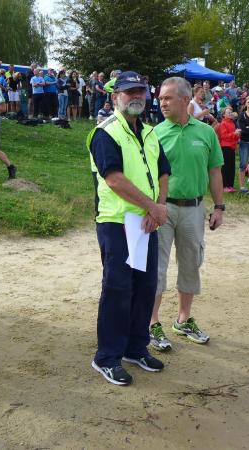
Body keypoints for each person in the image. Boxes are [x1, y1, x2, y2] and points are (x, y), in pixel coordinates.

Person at [88, 71, 170, 385]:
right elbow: (114, 179)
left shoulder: (149, 132)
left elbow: (163, 171)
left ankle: (136, 348)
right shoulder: (105, 132)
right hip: (116, 222)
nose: (136, 96)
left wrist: (158, 206)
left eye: (140, 91)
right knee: (118, 289)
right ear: (115, 97)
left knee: (146, 286)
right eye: (129, 91)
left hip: (146, 222)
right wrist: (152, 207)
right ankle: (107, 357)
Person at [150, 76, 223, 352]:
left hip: (194, 208)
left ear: (184, 99)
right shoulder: (154, 133)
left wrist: (219, 207)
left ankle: (183, 320)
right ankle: (152, 323)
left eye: (167, 98)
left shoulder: (206, 133)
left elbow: (214, 171)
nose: (162, 103)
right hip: (162, 209)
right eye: (160, 98)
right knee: (157, 267)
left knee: (191, 264)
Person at [213, 106, 238, 192]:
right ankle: (224, 185)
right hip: (225, 146)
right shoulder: (223, 123)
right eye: (228, 113)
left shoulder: (232, 123)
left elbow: (234, 136)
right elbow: (223, 136)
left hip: (232, 146)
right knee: (226, 167)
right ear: (224, 115)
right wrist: (234, 134)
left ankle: (230, 185)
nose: (230, 114)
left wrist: (237, 135)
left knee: (232, 167)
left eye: (231, 112)